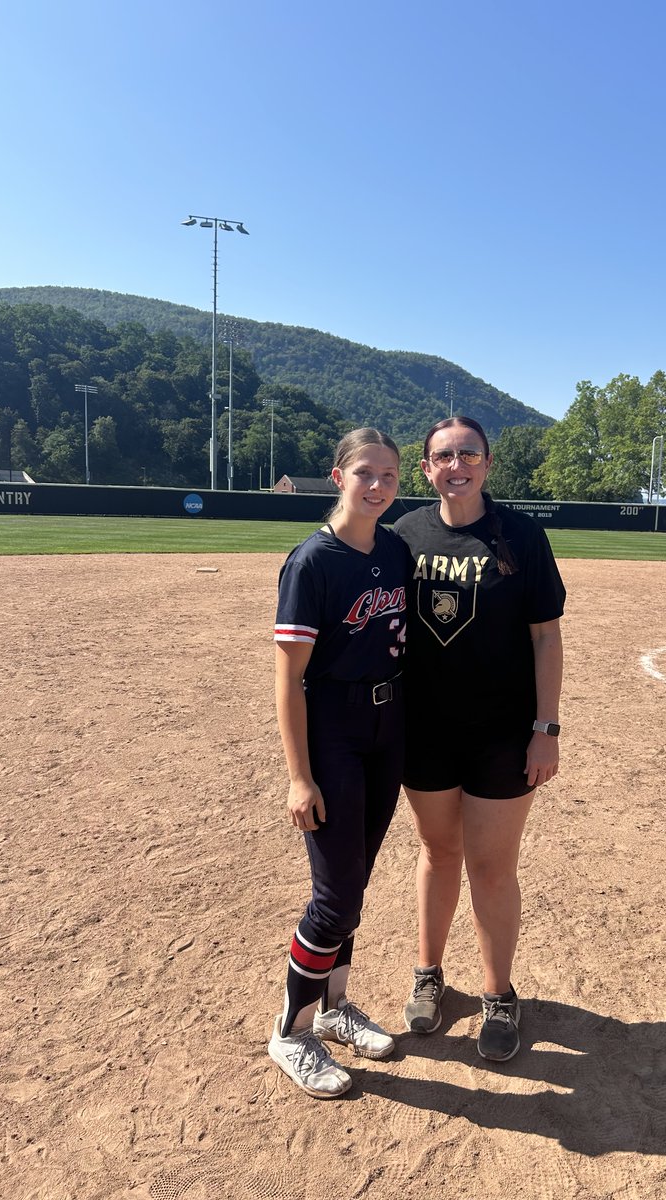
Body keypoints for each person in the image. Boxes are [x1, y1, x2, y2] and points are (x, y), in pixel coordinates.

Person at [392, 416, 566, 1063]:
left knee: (492, 867)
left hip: (502, 733)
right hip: (425, 733)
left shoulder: (520, 535)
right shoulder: (404, 536)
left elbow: (546, 636)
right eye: (443, 456)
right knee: (438, 852)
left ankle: (498, 994)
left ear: (487, 464)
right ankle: (429, 975)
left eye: (468, 453)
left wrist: (545, 729)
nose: (456, 464)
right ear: (427, 468)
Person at [268, 428, 407, 1098]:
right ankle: (291, 1033)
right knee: (334, 896)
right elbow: (287, 679)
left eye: (388, 475)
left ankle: (333, 1010)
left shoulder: (396, 550)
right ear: (337, 477)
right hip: (333, 733)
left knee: (355, 881)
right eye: (365, 474)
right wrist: (300, 776)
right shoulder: (312, 563)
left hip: (387, 729)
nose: (377, 485)